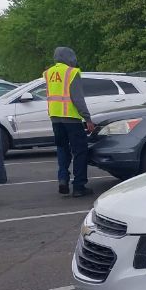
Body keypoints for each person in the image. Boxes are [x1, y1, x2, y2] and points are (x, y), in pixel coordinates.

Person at [44, 47, 95, 197]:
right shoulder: (72, 72)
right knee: (80, 151)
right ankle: (79, 186)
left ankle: (63, 179)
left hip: (55, 117)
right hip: (71, 119)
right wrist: (87, 119)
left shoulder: (48, 73)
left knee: (62, 149)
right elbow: (78, 99)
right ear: (69, 57)